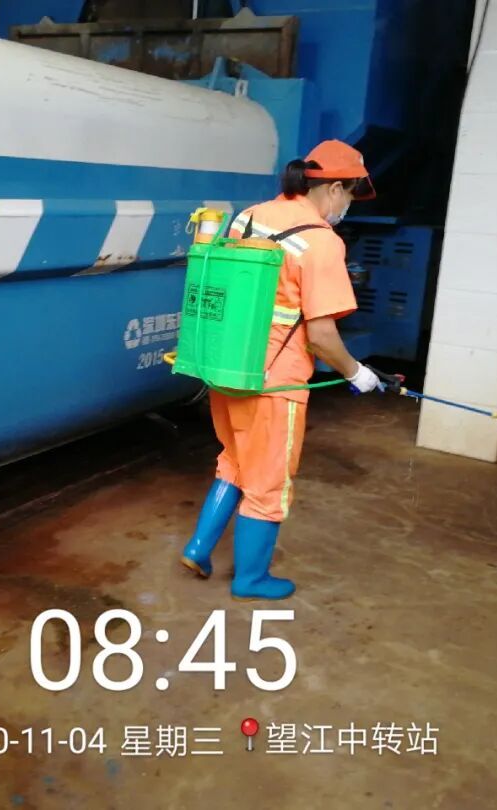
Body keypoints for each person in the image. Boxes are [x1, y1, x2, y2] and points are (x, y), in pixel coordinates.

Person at [180, 139, 383, 601]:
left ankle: (199, 548)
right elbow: (322, 335)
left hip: (227, 367)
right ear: (335, 188)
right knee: (268, 480)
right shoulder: (322, 242)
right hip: (276, 382)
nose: (348, 205)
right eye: (351, 194)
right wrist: (356, 373)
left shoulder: (249, 217)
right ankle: (251, 579)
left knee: (235, 460)